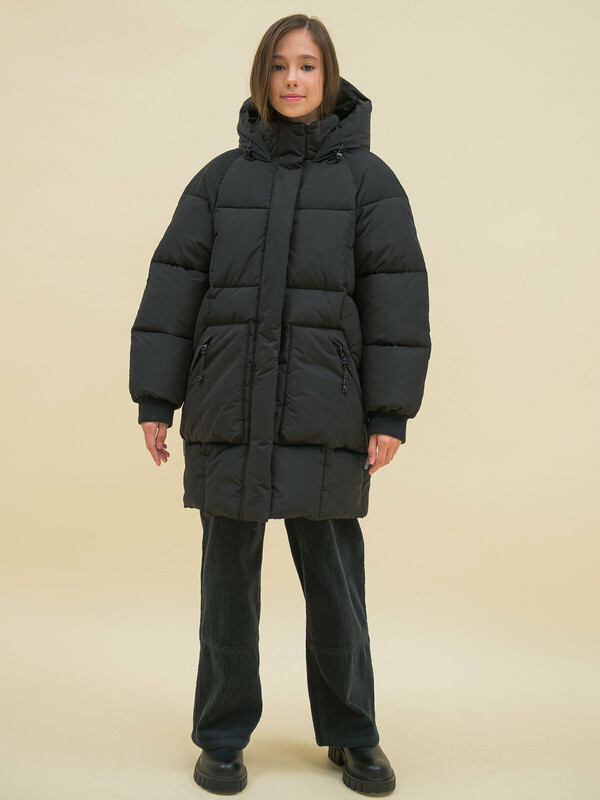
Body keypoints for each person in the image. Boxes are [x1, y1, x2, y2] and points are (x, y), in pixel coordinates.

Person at [129, 13, 431, 796]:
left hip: (324, 415)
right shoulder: (219, 180)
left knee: (335, 586)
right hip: (228, 407)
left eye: (307, 65)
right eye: (279, 66)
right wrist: (156, 398)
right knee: (226, 589)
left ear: (330, 77)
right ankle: (222, 736)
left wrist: (388, 414)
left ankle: (354, 734)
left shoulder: (369, 183)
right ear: (261, 76)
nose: (292, 79)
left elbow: (396, 303)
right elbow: (173, 289)